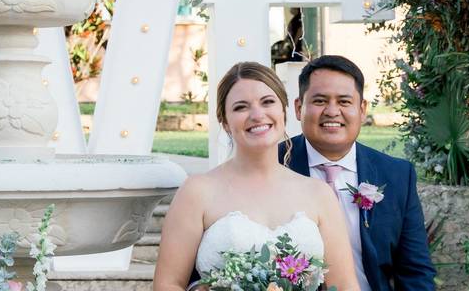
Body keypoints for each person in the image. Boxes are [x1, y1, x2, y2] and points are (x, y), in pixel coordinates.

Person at [153, 62, 359, 291]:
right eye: (241, 107)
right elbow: (167, 284)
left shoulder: (319, 194)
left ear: (284, 111)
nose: (257, 115)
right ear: (225, 122)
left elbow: (344, 285)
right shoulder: (197, 191)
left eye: (268, 102)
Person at [282, 55, 436, 291]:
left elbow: (415, 271)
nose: (332, 111)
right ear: (299, 108)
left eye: (344, 102)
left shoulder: (396, 175)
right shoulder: (273, 164)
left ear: (362, 109)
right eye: (320, 100)